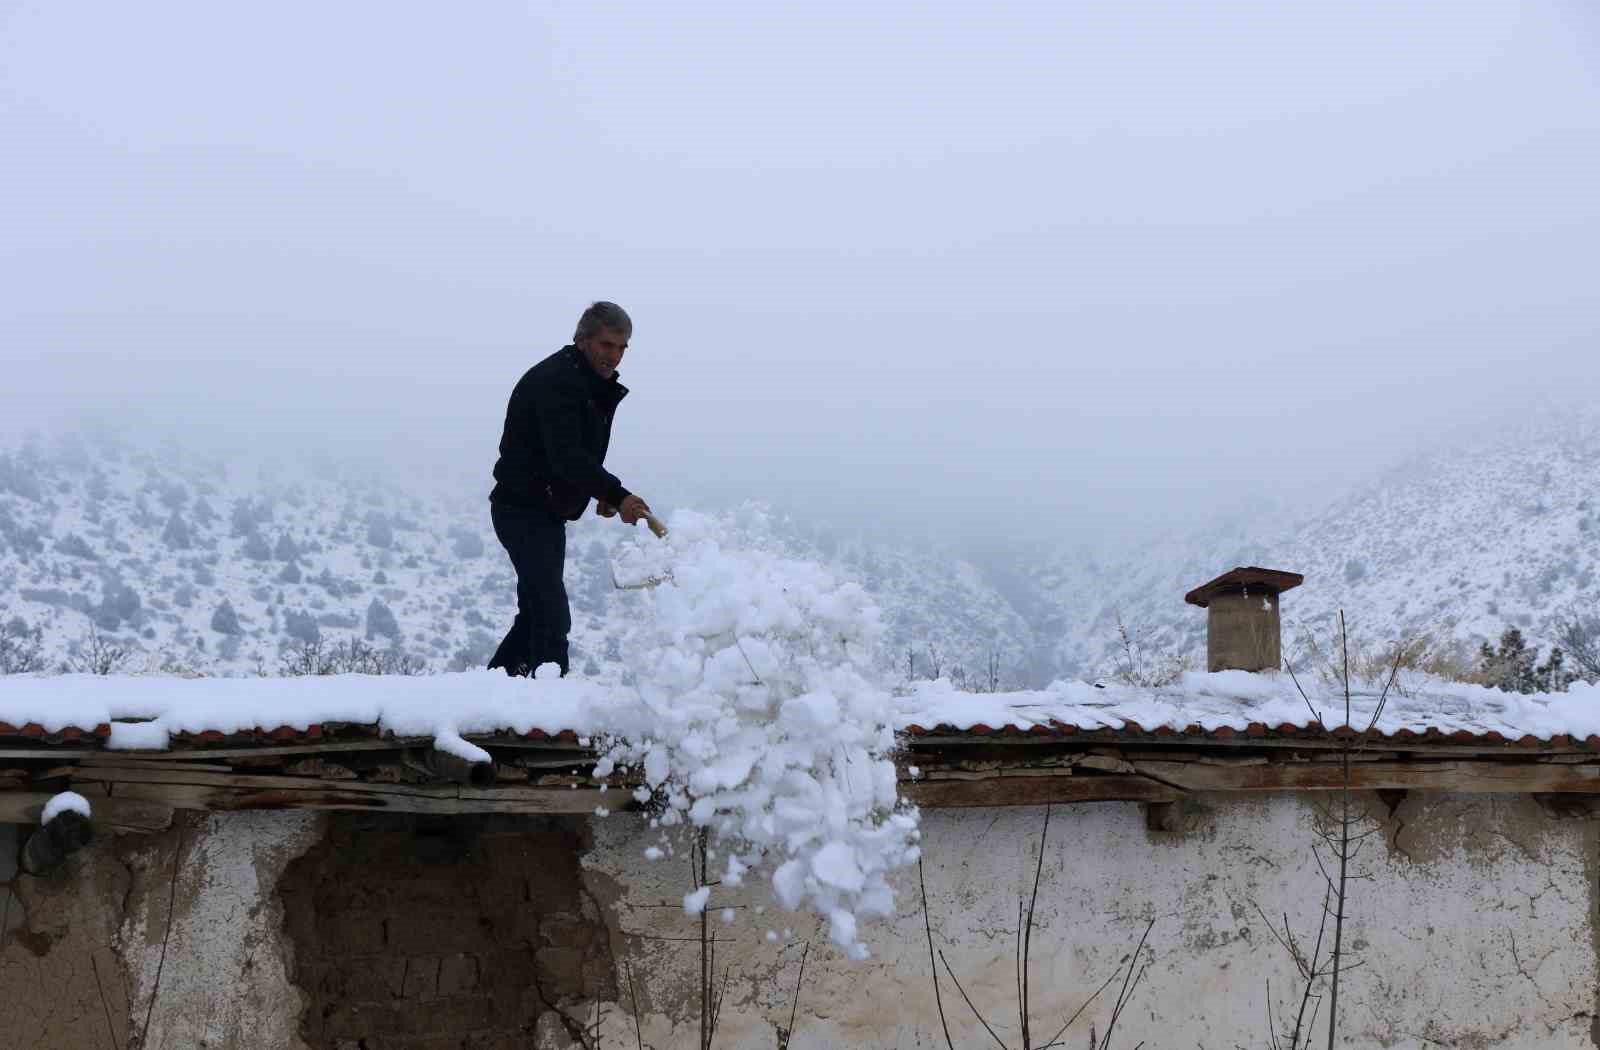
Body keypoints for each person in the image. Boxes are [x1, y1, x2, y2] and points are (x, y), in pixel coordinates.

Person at [487, 301, 651, 677]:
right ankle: (548, 700)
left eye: (622, 347)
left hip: (542, 510)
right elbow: (566, 457)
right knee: (550, 614)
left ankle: (495, 688)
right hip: (522, 509)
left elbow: (570, 457)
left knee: (536, 612)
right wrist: (615, 494)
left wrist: (600, 492)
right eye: (606, 344)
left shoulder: (584, 381)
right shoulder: (557, 382)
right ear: (582, 340)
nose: (614, 355)